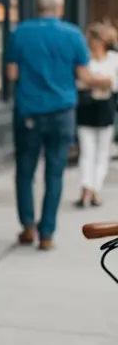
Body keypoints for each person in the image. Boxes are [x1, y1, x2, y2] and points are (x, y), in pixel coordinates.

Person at [6, 0, 89, 250]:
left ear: (36, 7)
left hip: (29, 111)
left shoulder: (20, 32)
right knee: (55, 173)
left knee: (25, 171)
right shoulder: (73, 34)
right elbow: (83, 75)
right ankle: (47, 233)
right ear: (60, 8)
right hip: (62, 112)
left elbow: (11, 74)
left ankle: (28, 225)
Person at [75, 22, 118, 208]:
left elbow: (114, 83)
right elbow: (81, 81)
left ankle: (96, 189)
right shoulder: (84, 59)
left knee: (102, 151)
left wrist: (94, 80)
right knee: (86, 150)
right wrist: (102, 81)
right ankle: (86, 188)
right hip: (86, 108)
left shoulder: (114, 59)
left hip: (105, 109)